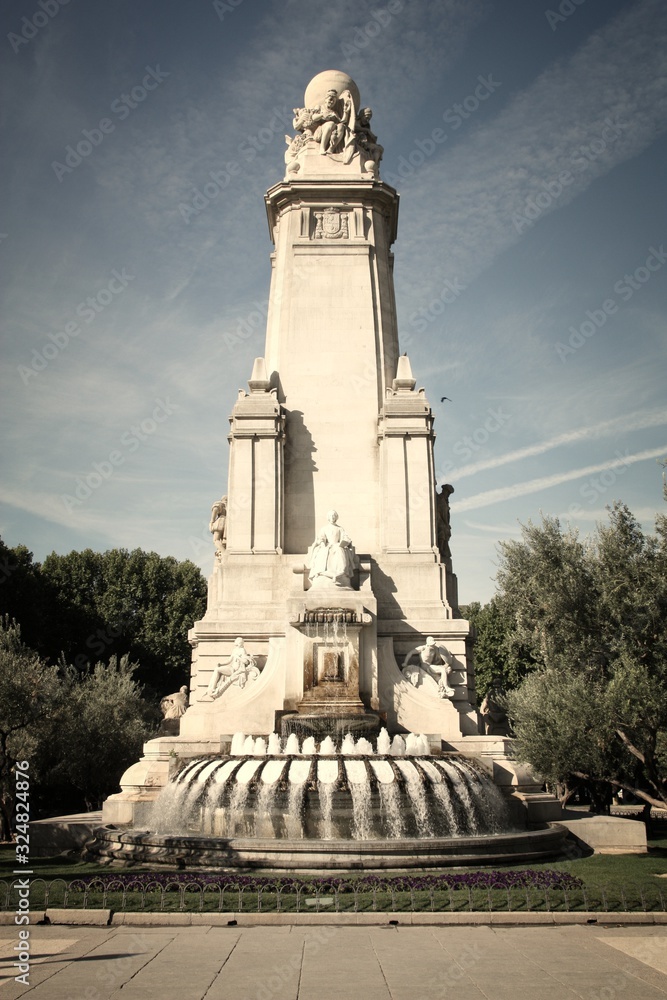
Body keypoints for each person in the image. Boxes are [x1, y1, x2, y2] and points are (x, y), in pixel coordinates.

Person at [307, 510, 356, 588]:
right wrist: (323, 544)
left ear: (336, 517)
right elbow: (321, 538)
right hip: (327, 546)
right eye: (331, 516)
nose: (332, 517)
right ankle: (321, 572)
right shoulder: (324, 528)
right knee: (323, 551)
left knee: (340, 550)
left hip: (337, 545)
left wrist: (345, 541)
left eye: (334, 515)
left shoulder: (340, 528)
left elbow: (345, 537)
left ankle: (340, 572)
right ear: (328, 517)